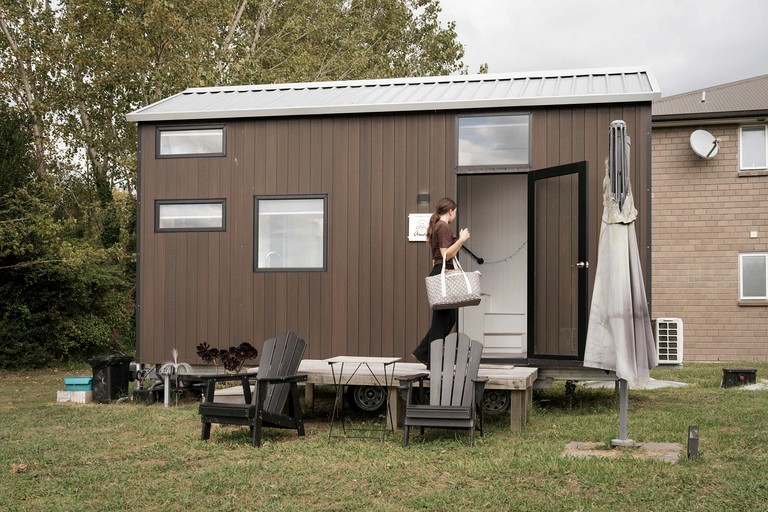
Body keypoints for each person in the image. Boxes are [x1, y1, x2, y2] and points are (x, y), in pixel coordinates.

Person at [412, 197, 470, 366]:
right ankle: (433, 359)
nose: (455, 215)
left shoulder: (438, 226)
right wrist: (461, 239)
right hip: (443, 274)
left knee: (449, 317)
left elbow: (437, 257)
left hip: (441, 272)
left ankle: (424, 352)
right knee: (442, 320)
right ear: (450, 211)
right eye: (455, 212)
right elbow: (446, 255)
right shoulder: (443, 227)